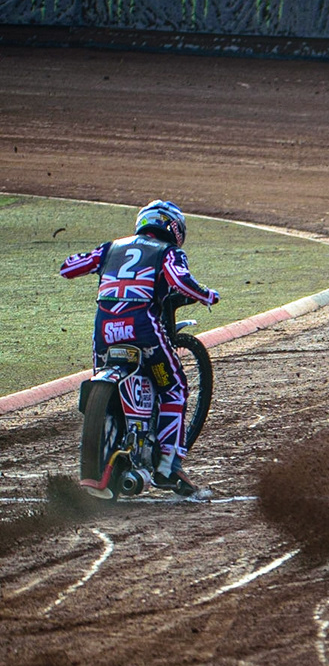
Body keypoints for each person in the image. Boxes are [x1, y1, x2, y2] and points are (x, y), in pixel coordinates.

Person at [58, 200, 220, 499]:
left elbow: (68, 268)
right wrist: (208, 295)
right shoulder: (168, 252)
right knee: (174, 389)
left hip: (105, 330)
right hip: (143, 329)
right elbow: (180, 281)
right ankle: (167, 465)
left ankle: (106, 451)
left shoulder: (111, 248)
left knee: (107, 390)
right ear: (173, 228)